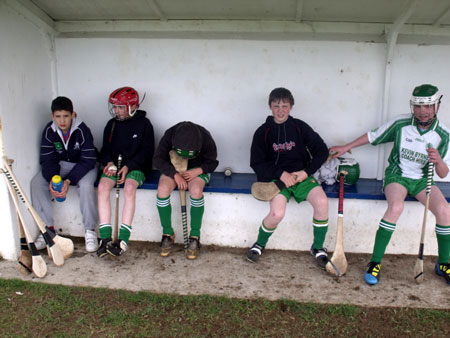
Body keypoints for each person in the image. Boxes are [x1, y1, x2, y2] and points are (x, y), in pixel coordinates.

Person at [330, 84, 450, 286]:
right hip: (397, 175)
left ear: (437, 106)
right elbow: (372, 136)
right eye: (418, 107)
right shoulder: (401, 123)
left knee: (445, 211)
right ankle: (374, 263)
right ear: (413, 107)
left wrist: (438, 160)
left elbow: (443, 173)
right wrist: (346, 146)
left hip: (423, 179)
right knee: (396, 207)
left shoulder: (444, 135)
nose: (422, 112)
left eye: (428, 106)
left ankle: (444, 263)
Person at [247, 87, 330, 270]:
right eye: (276, 106)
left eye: (285, 105)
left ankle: (318, 248)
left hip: (301, 177)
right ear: (270, 107)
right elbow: (256, 163)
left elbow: (322, 151)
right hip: (277, 180)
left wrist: (306, 172)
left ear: (291, 106)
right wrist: (280, 174)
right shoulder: (263, 132)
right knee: (277, 213)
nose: (281, 110)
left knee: (322, 202)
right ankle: (259, 244)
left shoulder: (299, 127)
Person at [31, 96, 98, 252]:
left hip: (85, 166)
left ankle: (90, 231)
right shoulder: (49, 130)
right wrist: (51, 179)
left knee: (86, 185)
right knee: (36, 183)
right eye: (58, 116)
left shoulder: (82, 129)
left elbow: (88, 159)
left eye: (66, 116)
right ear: (52, 116)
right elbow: (47, 160)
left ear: (73, 114)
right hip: (61, 166)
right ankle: (48, 230)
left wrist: (68, 181)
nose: (62, 121)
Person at [97, 86, 154, 257]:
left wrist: (129, 166)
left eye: (121, 107)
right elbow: (105, 149)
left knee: (129, 189)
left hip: (137, 167)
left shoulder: (145, 124)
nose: (116, 110)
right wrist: (108, 162)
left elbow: (147, 151)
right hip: (115, 166)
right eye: (115, 107)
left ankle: (123, 239)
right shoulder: (111, 124)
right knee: (102, 188)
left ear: (132, 106)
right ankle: (105, 239)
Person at [153, 121, 218, 259]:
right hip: (174, 169)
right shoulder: (170, 134)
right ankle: (167, 233)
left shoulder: (205, 137)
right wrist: (175, 175)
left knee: (195, 190)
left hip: (197, 170)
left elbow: (212, 162)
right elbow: (158, 160)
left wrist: (197, 171)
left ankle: (194, 236)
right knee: (162, 189)